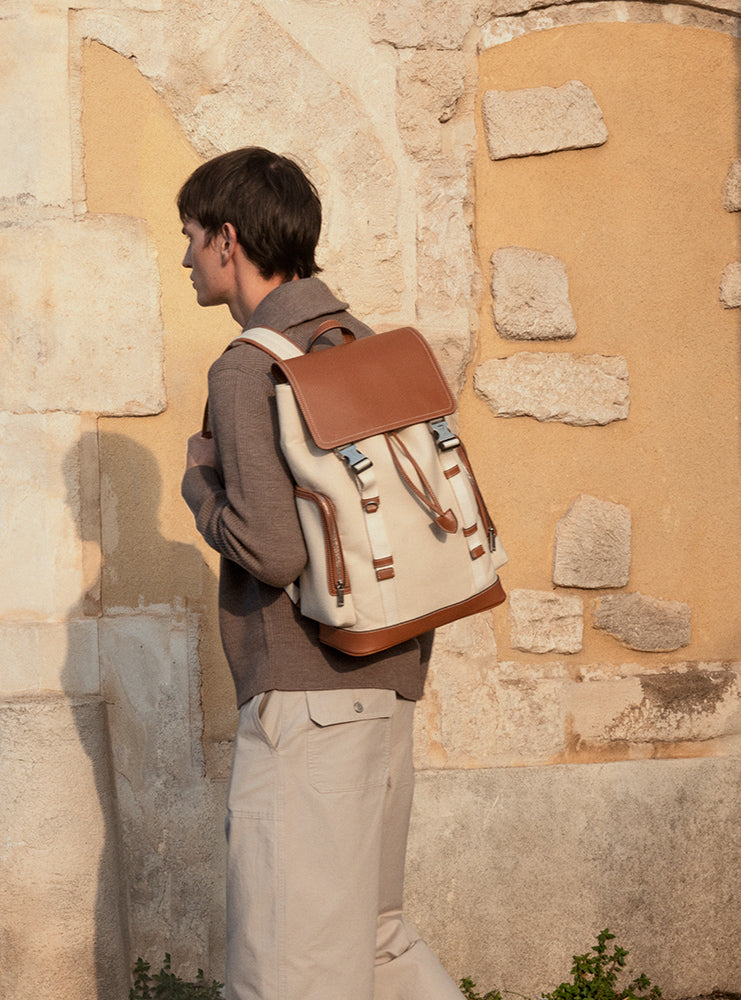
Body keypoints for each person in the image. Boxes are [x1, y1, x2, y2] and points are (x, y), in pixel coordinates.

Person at [179, 147, 464, 1000]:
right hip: (389, 683)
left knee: (288, 967)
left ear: (228, 240)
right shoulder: (365, 344)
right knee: (375, 942)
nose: (185, 257)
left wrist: (200, 487)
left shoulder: (248, 367)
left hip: (307, 701)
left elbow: (273, 552)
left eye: (190, 236)